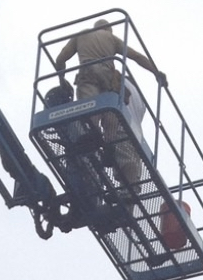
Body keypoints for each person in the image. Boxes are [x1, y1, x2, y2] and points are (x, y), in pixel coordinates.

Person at [53, 20, 167, 193]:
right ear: (108, 29)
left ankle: (93, 136)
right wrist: (156, 72)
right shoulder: (112, 39)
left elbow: (60, 59)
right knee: (109, 111)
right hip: (108, 74)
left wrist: (62, 81)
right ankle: (109, 146)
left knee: (91, 110)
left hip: (88, 71)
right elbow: (137, 57)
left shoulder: (81, 35)